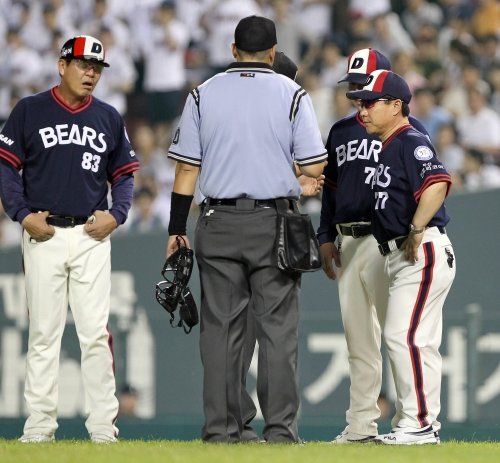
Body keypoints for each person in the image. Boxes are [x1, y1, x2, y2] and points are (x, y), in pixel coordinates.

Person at [166, 15, 327, 443]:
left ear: (233, 51)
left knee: (220, 332)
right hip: (273, 223)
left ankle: (222, 431)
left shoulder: (202, 94)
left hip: (215, 222)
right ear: (273, 53)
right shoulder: (291, 92)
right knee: (277, 331)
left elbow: (186, 169)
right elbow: (313, 164)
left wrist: (176, 229)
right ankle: (279, 433)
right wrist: (293, 174)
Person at [0, 34, 139, 443]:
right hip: (44, 235)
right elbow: (7, 169)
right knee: (44, 333)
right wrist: (22, 215)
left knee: (95, 333)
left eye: (96, 67)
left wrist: (117, 216)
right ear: (62, 65)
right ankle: (39, 428)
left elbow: (125, 175)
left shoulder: (109, 116)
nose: (91, 73)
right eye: (83, 64)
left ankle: (102, 429)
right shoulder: (30, 110)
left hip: (91, 235)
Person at [317, 47, 430, 444]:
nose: (357, 95)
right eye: (353, 87)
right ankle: (361, 426)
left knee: (398, 335)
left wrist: (412, 233)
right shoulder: (341, 131)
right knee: (359, 341)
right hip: (347, 240)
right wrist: (325, 235)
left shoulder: (407, 131)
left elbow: (423, 186)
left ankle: (411, 421)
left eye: (364, 86)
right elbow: (329, 191)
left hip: (386, 242)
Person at [346, 69, 455, 445]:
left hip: (419, 249)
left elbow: (438, 182)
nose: (363, 109)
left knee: (402, 335)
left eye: (371, 102)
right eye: (360, 102)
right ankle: (421, 423)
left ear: (396, 106)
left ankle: (419, 424)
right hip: (400, 253)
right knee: (417, 341)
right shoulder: (389, 144)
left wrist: (416, 228)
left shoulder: (410, 140)